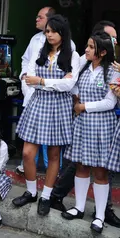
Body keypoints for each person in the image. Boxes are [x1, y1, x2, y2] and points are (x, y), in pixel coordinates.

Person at [50, 21, 120, 226]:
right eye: (87, 46)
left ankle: (99, 216)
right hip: (82, 125)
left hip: (101, 126)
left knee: (100, 171)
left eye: (91, 47)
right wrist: (75, 99)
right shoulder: (83, 68)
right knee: (81, 167)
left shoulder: (112, 72)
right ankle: (79, 207)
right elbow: (72, 85)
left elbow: (110, 102)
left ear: (103, 52)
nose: (86, 50)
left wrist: (83, 107)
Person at [13, 15, 80, 216]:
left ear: (62, 33)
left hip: (59, 106)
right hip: (39, 102)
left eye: (53, 31)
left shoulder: (72, 55)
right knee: (27, 153)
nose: (49, 35)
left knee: (53, 154)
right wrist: (51, 83)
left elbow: (68, 85)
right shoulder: (40, 52)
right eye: (47, 31)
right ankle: (32, 191)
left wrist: (42, 81)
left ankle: (46, 196)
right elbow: (29, 77)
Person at [16, 6, 76, 175]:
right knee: (29, 149)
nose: (36, 19)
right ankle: (31, 186)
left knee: (52, 150)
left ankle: (49, 186)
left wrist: (41, 82)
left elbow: (67, 83)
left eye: (40, 17)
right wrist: (25, 80)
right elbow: (27, 64)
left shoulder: (70, 48)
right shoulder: (35, 40)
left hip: (57, 103)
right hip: (35, 98)